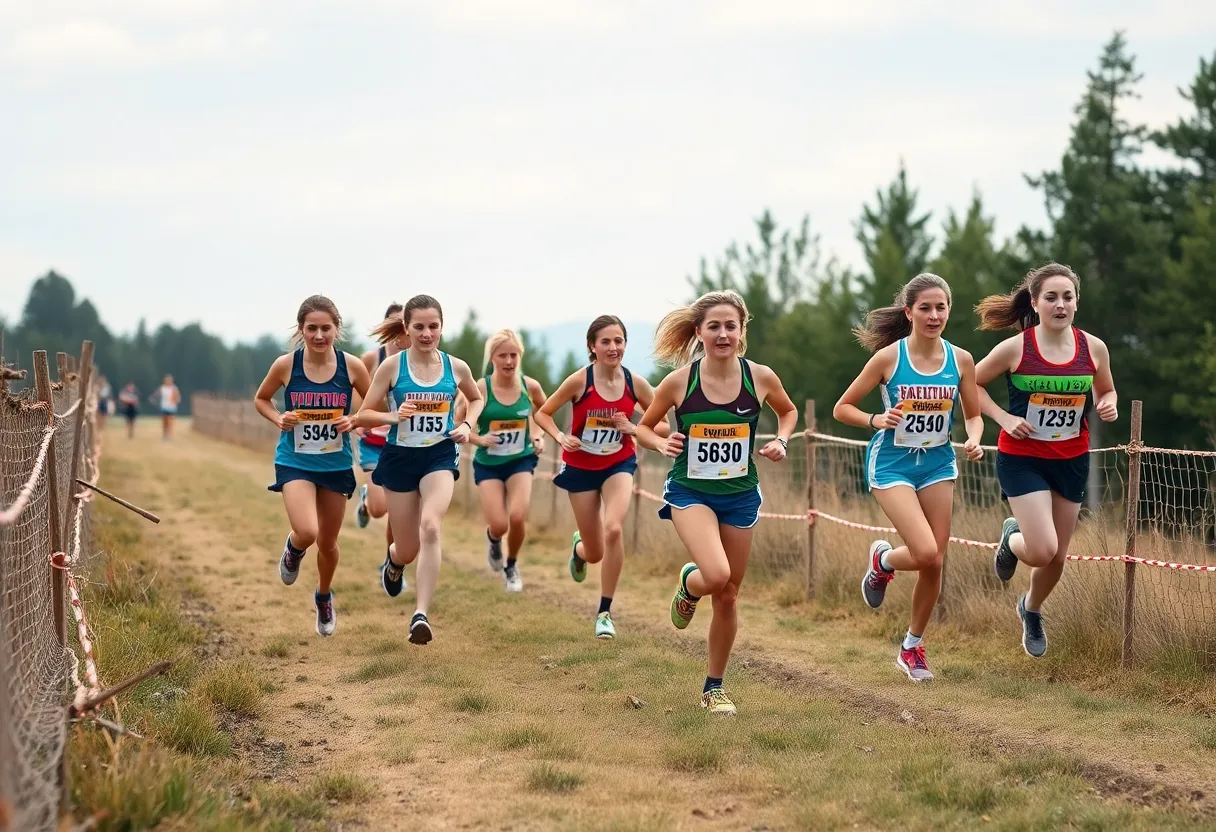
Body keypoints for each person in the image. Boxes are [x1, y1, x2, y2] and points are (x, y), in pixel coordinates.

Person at [634, 291, 797, 715]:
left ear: (742, 331)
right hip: (691, 493)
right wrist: (660, 441)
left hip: (741, 495)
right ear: (699, 332)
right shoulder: (679, 382)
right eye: (714, 326)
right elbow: (644, 428)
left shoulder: (759, 377)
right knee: (717, 573)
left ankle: (714, 687)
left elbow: (789, 411)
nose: (723, 334)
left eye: (731, 326)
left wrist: (781, 439)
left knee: (727, 596)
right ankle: (691, 584)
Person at [832, 273, 984, 682]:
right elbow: (841, 407)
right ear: (909, 312)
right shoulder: (889, 359)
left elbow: (972, 415)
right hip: (892, 466)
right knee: (926, 552)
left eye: (941, 307)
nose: (934, 315)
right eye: (925, 308)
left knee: (935, 562)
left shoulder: (961, 360)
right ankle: (883, 560)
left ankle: (912, 647)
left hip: (937, 465)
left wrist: (973, 439)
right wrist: (875, 418)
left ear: (949, 310)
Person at [974, 262, 1117, 658]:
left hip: (1070, 459)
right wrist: (1003, 417)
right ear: (1035, 303)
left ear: (1076, 303)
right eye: (1051, 297)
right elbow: (970, 383)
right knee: (1039, 549)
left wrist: (1108, 405)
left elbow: (1107, 391)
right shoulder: (1017, 347)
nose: (1060, 304)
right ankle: (1011, 537)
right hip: (1022, 458)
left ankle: (1031, 609)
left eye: (1067, 297)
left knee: (1057, 556)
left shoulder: (1094, 348)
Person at [355, 294, 484, 645]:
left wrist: (468, 425)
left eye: (434, 326)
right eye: (420, 327)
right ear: (406, 329)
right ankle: (394, 563)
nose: (427, 334)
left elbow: (476, 398)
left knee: (431, 525)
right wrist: (393, 416)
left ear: (442, 327)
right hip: (398, 458)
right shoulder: (392, 368)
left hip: (438, 457)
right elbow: (363, 415)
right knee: (407, 548)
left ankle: (420, 615)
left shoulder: (456, 367)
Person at [534, 315, 669, 640]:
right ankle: (580, 551)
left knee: (614, 529)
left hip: (618, 464)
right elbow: (542, 413)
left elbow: (662, 427)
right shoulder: (580, 381)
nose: (613, 347)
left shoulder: (635, 384)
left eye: (618, 340)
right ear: (592, 346)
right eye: (606, 341)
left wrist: (634, 427)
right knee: (595, 551)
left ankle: (604, 612)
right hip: (580, 467)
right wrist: (559, 437)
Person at [254, 295, 371, 637]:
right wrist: (279, 417)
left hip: (335, 464)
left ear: (337, 329)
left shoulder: (352, 367)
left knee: (329, 544)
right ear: (300, 330)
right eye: (312, 328)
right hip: (295, 461)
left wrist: (355, 420)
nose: (319, 335)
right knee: (308, 532)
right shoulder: (285, 366)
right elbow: (261, 399)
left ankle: (323, 595)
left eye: (326, 328)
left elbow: (374, 400)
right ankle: (293, 550)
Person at [468, 329, 548, 592]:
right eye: (502, 355)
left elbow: (542, 414)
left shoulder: (530, 386)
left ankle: (511, 565)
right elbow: (458, 424)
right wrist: (479, 439)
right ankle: (493, 539)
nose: (509, 361)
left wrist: (537, 436)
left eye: (514, 355)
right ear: (492, 358)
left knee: (517, 515)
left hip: (520, 460)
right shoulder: (480, 388)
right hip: (488, 463)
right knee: (500, 524)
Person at [354, 303, 408, 574]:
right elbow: (357, 397)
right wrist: (358, 420)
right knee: (378, 510)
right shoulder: (371, 359)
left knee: (398, 513)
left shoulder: (418, 361)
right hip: (374, 444)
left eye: (404, 325)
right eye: (394, 325)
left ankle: (391, 564)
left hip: (403, 445)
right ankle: (366, 501)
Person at [152, 374, 181, 440]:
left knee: (170, 421)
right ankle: (164, 434)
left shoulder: (174, 388)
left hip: (171, 407)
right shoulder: (162, 388)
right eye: (166, 380)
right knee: (164, 421)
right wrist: (154, 399)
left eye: (169, 380)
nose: (168, 381)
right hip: (164, 406)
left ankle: (169, 435)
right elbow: (156, 394)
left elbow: (178, 396)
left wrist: (176, 400)